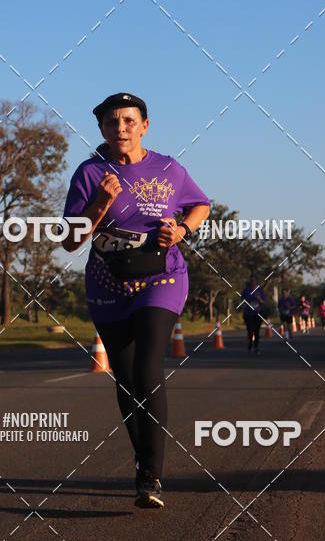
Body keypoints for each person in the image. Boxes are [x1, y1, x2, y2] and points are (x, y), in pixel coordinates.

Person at [61, 92, 210, 509]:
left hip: (162, 278)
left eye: (129, 121)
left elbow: (200, 205)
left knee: (147, 371)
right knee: (126, 380)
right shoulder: (90, 174)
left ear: (145, 125)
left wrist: (181, 231)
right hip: (108, 283)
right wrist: (98, 204)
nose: (121, 128)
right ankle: (143, 461)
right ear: (102, 130)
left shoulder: (168, 168)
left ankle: (151, 476)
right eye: (112, 122)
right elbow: (71, 241)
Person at [241, 275, 266, 355]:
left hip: (258, 313)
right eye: (252, 281)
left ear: (256, 282)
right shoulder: (246, 290)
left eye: (254, 281)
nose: (253, 282)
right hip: (248, 313)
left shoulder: (260, 290)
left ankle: (256, 346)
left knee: (257, 331)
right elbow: (242, 300)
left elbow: (263, 302)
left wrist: (259, 299)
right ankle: (250, 342)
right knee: (250, 330)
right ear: (250, 282)